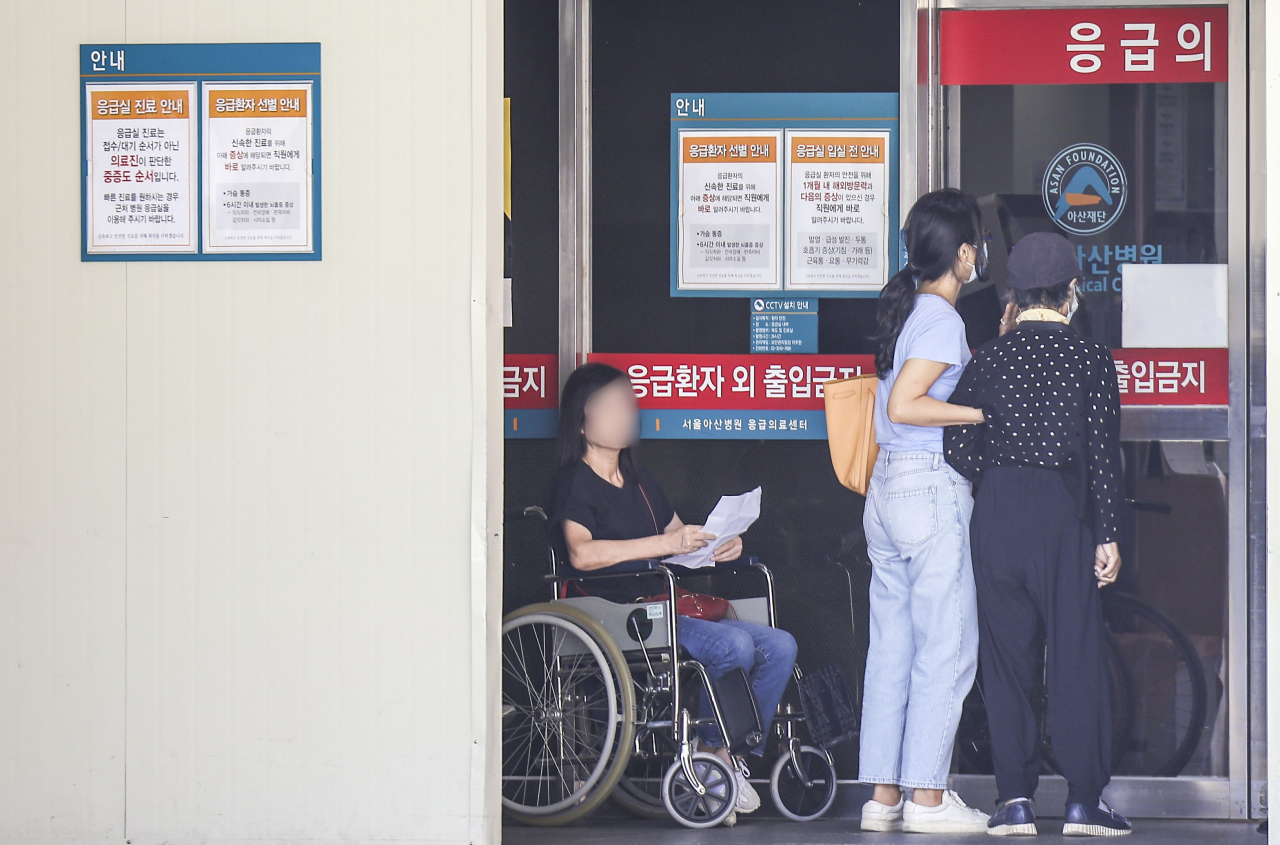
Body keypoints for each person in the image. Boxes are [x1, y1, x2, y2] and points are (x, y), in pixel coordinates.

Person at [544, 362, 798, 824]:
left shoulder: (641, 483)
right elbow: (581, 555)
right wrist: (665, 544)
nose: (626, 414)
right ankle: (710, 761)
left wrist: (720, 546)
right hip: (615, 612)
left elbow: (682, 539)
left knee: (780, 645)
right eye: (613, 406)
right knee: (734, 645)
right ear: (582, 421)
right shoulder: (575, 481)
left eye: (629, 405)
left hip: (664, 607)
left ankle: (718, 757)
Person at [944, 231, 1131, 836]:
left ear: (1016, 296)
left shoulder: (990, 358)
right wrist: (1109, 534)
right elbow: (1104, 456)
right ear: (1071, 291)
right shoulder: (1091, 359)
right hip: (1064, 512)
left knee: (1006, 663)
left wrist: (996, 474)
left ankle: (1015, 801)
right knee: (1075, 658)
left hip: (998, 512)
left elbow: (957, 441)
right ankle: (1083, 801)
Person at [857, 189, 991, 834]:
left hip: (886, 492)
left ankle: (883, 799)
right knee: (946, 646)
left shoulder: (908, 310)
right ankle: (928, 801)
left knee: (893, 649)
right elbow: (905, 405)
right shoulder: (941, 319)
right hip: (926, 488)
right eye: (976, 246)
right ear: (964, 254)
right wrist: (977, 413)